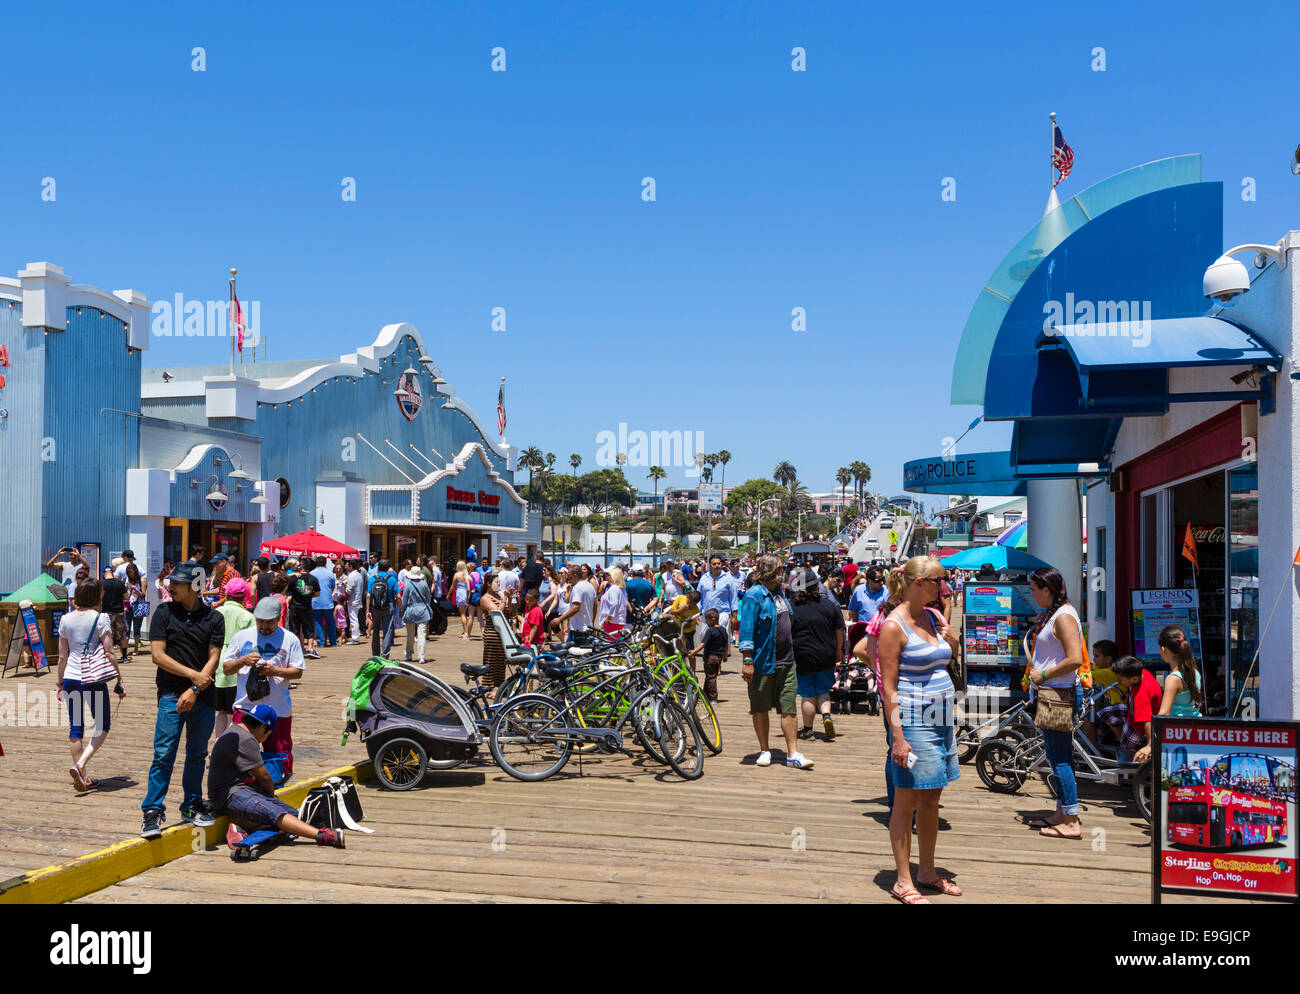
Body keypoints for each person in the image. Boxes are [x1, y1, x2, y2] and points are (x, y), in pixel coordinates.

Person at [877, 556, 961, 903]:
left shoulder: (933, 616)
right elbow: (889, 687)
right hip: (913, 720)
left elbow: (946, 658)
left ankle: (926, 870)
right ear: (918, 583)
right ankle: (902, 879)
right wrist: (897, 736)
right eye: (938, 581)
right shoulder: (894, 626)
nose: (944, 588)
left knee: (932, 798)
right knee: (906, 800)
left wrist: (952, 642)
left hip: (941, 719)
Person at [141, 561, 225, 838]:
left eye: (176, 583)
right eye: (171, 582)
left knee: (198, 754)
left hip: (202, 697)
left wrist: (196, 689)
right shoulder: (164, 613)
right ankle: (152, 810)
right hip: (170, 694)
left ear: (195, 586)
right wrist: (193, 678)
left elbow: (214, 656)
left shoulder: (214, 618)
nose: (170, 586)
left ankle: (191, 804)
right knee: (163, 753)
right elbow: (158, 656)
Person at [210, 704, 344, 850]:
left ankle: (243, 831)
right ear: (262, 727)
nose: (265, 739)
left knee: (293, 815)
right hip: (228, 795)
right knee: (275, 812)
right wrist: (270, 796)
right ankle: (322, 836)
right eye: (268, 734)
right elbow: (264, 777)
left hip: (242, 790)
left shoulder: (237, 730)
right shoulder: (247, 739)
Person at [1025, 566, 1085, 840]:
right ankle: (1062, 812)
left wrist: (1044, 674)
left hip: (1058, 695)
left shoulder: (1064, 617)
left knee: (1060, 759)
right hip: (1051, 693)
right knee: (1055, 756)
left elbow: (1075, 658)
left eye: (1036, 589)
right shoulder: (1056, 614)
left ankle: (1071, 820)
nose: (1033, 594)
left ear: (1048, 590)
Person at [738, 553, 811, 771]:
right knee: (760, 707)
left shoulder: (779, 594)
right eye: (781, 569)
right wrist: (747, 660)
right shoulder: (754, 596)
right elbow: (746, 629)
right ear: (771, 571)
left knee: (789, 707)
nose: (784, 573)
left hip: (787, 661)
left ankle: (793, 753)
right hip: (762, 662)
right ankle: (765, 750)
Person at [57, 577, 126, 791]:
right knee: (103, 725)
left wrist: (59, 684)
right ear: (98, 596)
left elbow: (62, 657)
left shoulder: (66, 619)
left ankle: (83, 777)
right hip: (93, 679)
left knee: (75, 729)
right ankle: (80, 765)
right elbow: (109, 652)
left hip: (70, 677)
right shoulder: (101, 618)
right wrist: (119, 677)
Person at [224, 597, 305, 776]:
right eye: (260, 621)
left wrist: (274, 671)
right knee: (239, 751)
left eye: (269, 622)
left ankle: (278, 788)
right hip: (246, 706)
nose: (264, 626)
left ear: (279, 617)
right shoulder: (241, 637)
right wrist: (243, 660)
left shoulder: (289, 639)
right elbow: (227, 668)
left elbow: (298, 671)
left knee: (279, 755)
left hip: (277, 707)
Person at [790, 567, 845, 742]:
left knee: (807, 694)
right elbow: (839, 631)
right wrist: (838, 651)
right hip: (826, 654)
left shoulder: (792, 607)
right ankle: (827, 716)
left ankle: (808, 730)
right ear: (816, 586)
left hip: (802, 656)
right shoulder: (829, 605)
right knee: (823, 690)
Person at [213, 579, 256, 739]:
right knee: (235, 712)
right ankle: (228, 747)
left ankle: (218, 744)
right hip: (237, 666)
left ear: (227, 594)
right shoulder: (248, 616)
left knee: (221, 711)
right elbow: (250, 645)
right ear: (243, 595)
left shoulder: (216, 613)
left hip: (216, 665)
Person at [1107, 655, 1164, 765]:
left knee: (1125, 752)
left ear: (1134, 679)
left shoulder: (1141, 697)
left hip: (1138, 727)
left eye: (1120, 679)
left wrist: (1150, 745)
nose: (1117, 681)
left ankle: (1127, 758)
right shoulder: (1142, 672)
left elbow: (1147, 722)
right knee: (1106, 713)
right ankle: (1122, 740)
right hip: (1132, 713)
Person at [1152, 625, 1204, 721]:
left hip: (1177, 729)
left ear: (1163, 649)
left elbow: (1164, 713)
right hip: (1194, 726)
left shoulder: (1172, 679)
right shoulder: (1195, 672)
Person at [688, 608, 727, 702]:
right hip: (719, 657)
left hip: (710, 657)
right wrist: (725, 655)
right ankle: (705, 694)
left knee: (711, 677)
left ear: (713, 619)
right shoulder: (723, 630)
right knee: (710, 676)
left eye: (707, 620)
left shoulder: (710, 630)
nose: (706, 622)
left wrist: (694, 652)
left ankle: (713, 697)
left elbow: (703, 644)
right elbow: (726, 644)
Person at [400, 566, 433, 663]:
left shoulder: (408, 585)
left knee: (410, 634)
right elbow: (428, 598)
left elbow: (404, 601)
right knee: (421, 634)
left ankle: (409, 653)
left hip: (411, 610)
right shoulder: (424, 584)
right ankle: (421, 656)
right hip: (422, 610)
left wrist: (402, 612)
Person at [286, 562, 320, 658]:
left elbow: (284, 584)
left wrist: (291, 574)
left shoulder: (293, 578)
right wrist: (307, 594)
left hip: (294, 607)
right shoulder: (313, 579)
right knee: (309, 628)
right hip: (307, 606)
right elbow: (317, 594)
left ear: (301, 567)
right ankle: (310, 649)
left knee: (294, 629)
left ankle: (295, 650)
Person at [366, 559, 399, 658]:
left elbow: (368, 595)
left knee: (375, 631)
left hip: (375, 608)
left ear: (378, 567)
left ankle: (375, 654)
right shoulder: (392, 579)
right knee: (387, 631)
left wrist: (368, 611)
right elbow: (398, 595)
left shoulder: (372, 579)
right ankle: (385, 655)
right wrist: (400, 609)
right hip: (388, 607)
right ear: (388, 568)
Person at [557, 567, 597, 635]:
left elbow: (576, 607)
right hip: (587, 627)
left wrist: (559, 619)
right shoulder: (589, 586)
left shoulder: (577, 588)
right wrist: (592, 622)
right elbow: (595, 605)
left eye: (569, 575)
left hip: (578, 629)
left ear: (575, 575)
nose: (568, 577)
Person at [310, 556, 337, 649]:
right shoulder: (330, 573)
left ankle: (321, 642)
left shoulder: (311, 573)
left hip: (315, 601)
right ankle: (333, 642)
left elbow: (309, 589)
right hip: (327, 602)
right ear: (325, 563)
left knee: (318, 622)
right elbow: (332, 588)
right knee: (331, 622)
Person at [597, 566, 629, 634]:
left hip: (613, 622)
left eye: (608, 574)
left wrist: (608, 618)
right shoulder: (621, 589)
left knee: (611, 642)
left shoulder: (614, 589)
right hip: (618, 621)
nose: (605, 576)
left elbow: (614, 604)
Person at [344, 560, 366, 645]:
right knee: (354, 618)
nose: (345, 566)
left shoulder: (352, 576)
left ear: (351, 566)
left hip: (353, 600)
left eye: (346, 565)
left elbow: (349, 591)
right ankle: (355, 637)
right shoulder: (358, 575)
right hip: (357, 599)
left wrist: (346, 598)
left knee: (353, 620)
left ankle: (355, 638)